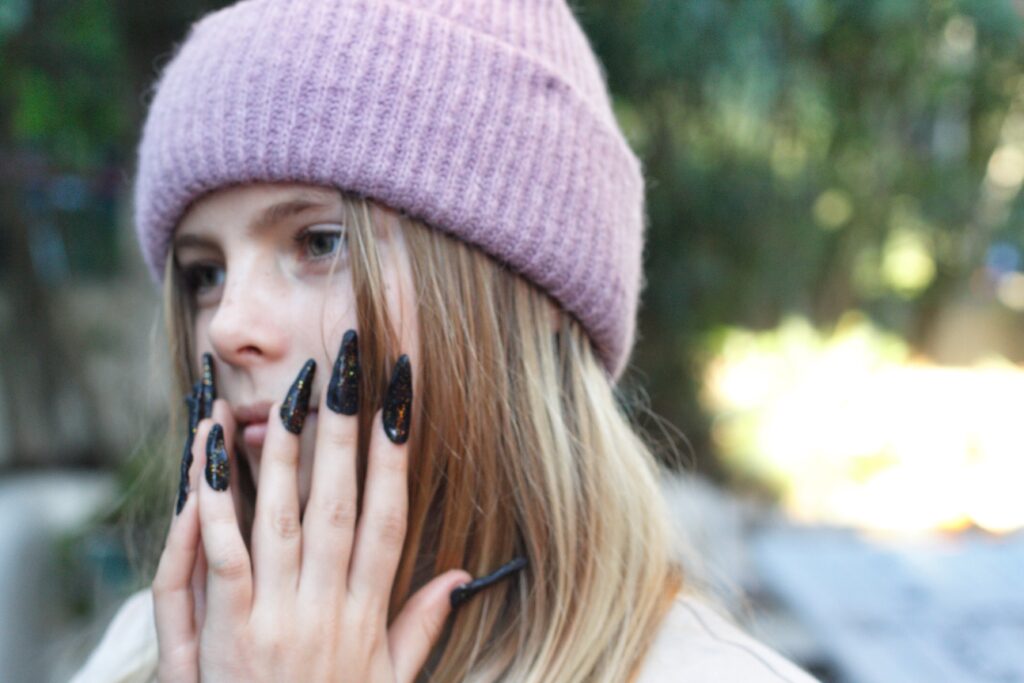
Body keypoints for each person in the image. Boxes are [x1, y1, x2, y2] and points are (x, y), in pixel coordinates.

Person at [70, 1, 821, 681]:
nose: (228, 325)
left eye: (320, 240)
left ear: (524, 291)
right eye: (204, 273)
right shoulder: (152, 650)